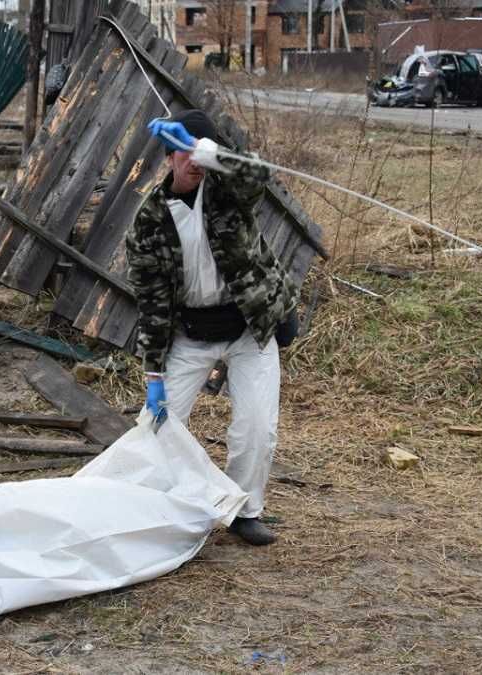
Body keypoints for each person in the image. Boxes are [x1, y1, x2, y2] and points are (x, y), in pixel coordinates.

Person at [127, 110, 299, 547]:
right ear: (169, 158)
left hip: (248, 327)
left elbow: (258, 174)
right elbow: (151, 301)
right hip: (190, 332)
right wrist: (153, 376)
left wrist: (208, 149)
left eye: (200, 152)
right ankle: (153, 505)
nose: (194, 162)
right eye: (185, 153)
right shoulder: (149, 220)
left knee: (257, 427)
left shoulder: (227, 190)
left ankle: (245, 510)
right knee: (157, 424)